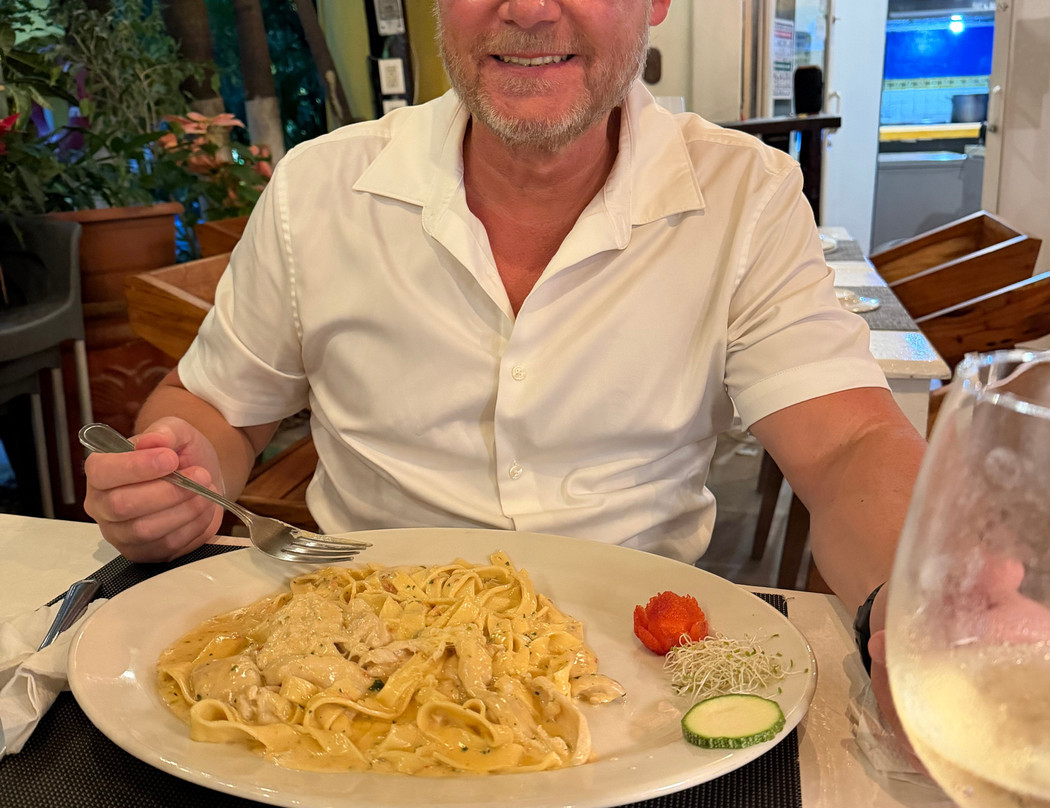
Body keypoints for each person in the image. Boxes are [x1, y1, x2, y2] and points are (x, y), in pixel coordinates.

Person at [85, 0, 924, 730]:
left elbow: (848, 445)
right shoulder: (319, 187)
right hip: (350, 663)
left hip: (635, 694)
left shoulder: (748, 195)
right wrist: (176, 471)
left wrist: (915, 601)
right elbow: (216, 410)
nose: (526, 9)